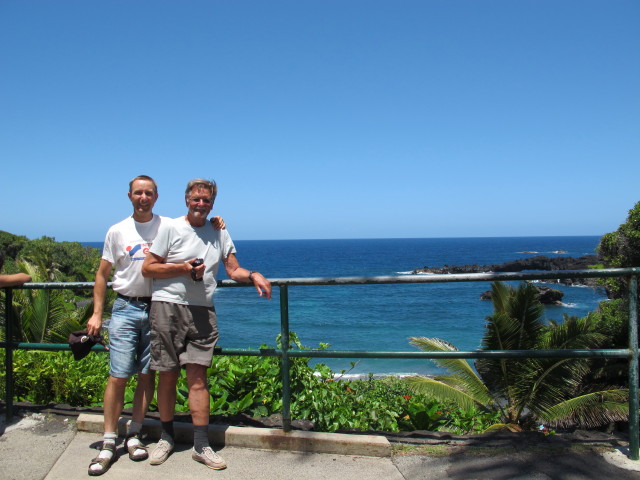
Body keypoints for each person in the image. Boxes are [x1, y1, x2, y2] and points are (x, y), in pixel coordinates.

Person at [85, 175, 225, 476]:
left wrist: (217, 223)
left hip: (157, 306)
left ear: (157, 196)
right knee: (119, 374)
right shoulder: (118, 230)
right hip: (126, 306)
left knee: (150, 375)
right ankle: (111, 440)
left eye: (148, 193)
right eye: (138, 193)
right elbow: (103, 274)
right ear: (130, 196)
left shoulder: (168, 224)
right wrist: (97, 313)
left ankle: (135, 433)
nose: (143, 197)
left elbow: (197, 227)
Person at [141, 178, 271, 471]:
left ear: (213, 203)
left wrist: (254, 275)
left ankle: (202, 445)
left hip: (202, 310)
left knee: (198, 378)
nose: (201, 204)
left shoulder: (219, 231)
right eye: (196, 199)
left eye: (206, 200)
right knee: (168, 375)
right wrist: (182, 268)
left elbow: (233, 268)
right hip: (167, 307)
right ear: (186, 199)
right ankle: (166, 437)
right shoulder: (171, 228)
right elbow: (148, 267)